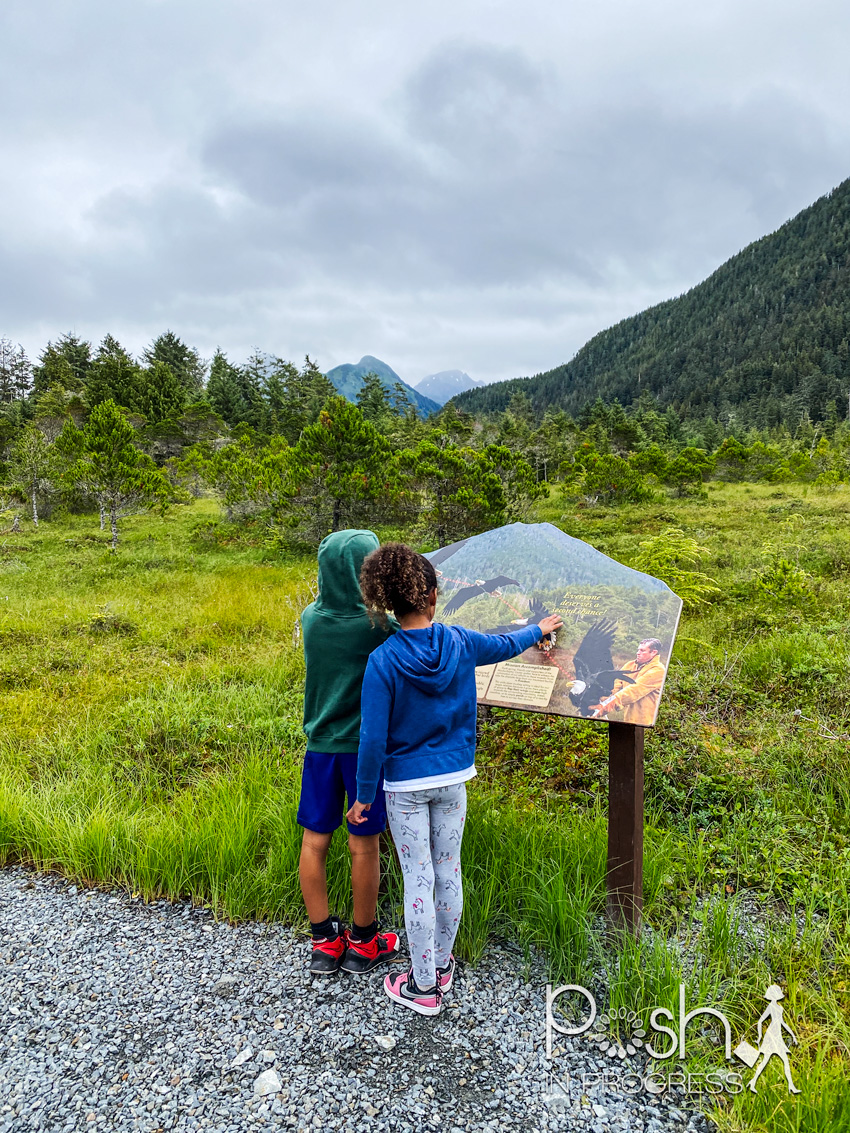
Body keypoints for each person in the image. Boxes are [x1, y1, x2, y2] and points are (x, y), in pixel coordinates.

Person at [347, 543, 563, 1016]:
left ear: (387, 601)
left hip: (404, 788)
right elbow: (505, 644)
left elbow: (372, 739)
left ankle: (423, 987)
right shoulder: (461, 642)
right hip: (454, 779)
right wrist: (539, 629)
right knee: (449, 871)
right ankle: (441, 965)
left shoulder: (382, 662)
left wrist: (364, 798)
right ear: (432, 596)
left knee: (418, 880)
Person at [298, 529, 401, 975]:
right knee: (364, 846)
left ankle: (323, 939)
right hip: (363, 752)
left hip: (320, 746)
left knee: (314, 841)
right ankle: (363, 941)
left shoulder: (310, 619)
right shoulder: (378, 627)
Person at [591, 638, 666, 726]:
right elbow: (616, 685)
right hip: (628, 720)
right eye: (638, 650)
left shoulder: (658, 670)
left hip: (646, 722)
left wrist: (603, 708)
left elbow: (634, 690)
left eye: (642, 650)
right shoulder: (630, 665)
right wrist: (598, 699)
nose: (638, 653)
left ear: (653, 652)